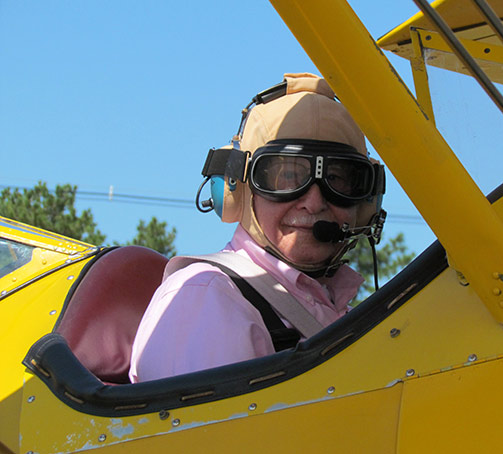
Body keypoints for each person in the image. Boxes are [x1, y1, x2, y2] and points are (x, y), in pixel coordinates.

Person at [129, 73, 385, 382]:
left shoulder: (342, 311)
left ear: (365, 203)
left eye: (339, 179)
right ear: (237, 189)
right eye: (287, 176)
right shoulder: (208, 298)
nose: (314, 202)